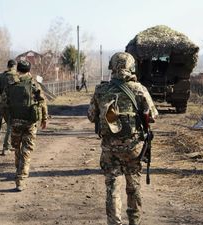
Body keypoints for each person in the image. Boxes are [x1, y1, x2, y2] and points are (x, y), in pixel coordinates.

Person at [87, 52, 158, 225]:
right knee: (133, 187)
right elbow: (153, 116)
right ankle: (135, 221)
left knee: (112, 188)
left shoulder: (101, 90)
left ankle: (114, 222)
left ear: (112, 67)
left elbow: (91, 116)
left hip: (109, 149)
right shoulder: (139, 89)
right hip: (132, 148)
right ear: (131, 67)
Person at [0, 60, 48, 191]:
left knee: (17, 149)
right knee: (26, 151)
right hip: (29, 123)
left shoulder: (11, 84)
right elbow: (43, 101)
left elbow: (2, 105)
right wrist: (44, 119)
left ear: (18, 70)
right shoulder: (34, 84)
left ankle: (18, 170)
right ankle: (20, 180)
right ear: (29, 70)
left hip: (15, 122)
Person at [0, 59, 17, 155]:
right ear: (15, 66)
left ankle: (11, 145)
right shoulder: (17, 76)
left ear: (7, 66)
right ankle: (6, 147)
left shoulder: (2, 76)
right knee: (11, 125)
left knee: (11, 125)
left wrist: (3, 92)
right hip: (15, 104)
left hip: (3, 104)